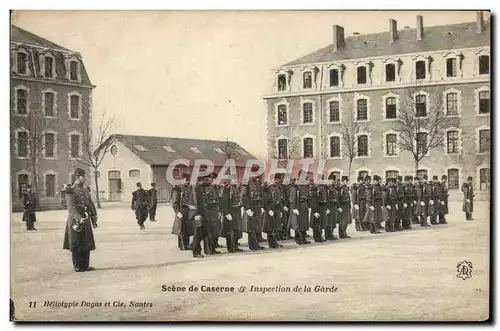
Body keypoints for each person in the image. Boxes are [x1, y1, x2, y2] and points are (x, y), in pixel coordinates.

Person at [62, 168, 98, 272]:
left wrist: (94, 218)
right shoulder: (71, 190)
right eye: (83, 176)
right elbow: (71, 207)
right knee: (77, 242)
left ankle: (85, 265)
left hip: (85, 217)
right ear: (78, 177)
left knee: (86, 242)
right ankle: (78, 266)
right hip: (75, 220)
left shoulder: (85, 190)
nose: (85, 178)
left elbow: (90, 204)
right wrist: (78, 218)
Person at [219, 179, 244, 253]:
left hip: (237, 211)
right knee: (230, 231)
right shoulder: (227, 189)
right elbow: (224, 203)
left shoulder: (236, 188)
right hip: (230, 211)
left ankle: (235, 246)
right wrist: (226, 213)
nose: (236, 181)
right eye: (234, 180)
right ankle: (230, 248)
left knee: (237, 230)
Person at [241, 176, 265, 250]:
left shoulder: (258, 185)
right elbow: (244, 198)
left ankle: (257, 244)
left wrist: (261, 206)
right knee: (251, 228)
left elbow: (261, 196)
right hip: (251, 208)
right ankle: (253, 245)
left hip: (257, 208)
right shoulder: (246, 186)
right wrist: (247, 209)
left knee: (257, 227)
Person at [172, 174, 193, 251]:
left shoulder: (189, 188)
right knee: (181, 228)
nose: (187, 182)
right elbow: (174, 201)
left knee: (187, 228)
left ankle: (186, 244)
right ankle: (182, 245)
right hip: (181, 210)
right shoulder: (178, 189)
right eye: (186, 180)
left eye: (188, 180)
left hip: (188, 210)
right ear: (182, 180)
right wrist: (177, 212)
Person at [289, 174, 311, 245]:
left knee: (304, 224)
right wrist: (294, 208)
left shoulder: (304, 186)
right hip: (299, 207)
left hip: (304, 207)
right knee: (298, 224)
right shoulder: (295, 186)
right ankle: (298, 239)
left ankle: (303, 238)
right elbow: (292, 198)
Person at [263, 174, 284, 248]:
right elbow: (265, 200)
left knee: (275, 227)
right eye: (275, 179)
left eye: (278, 180)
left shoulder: (278, 188)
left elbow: (279, 200)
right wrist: (268, 210)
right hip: (271, 209)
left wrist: (281, 210)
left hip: (277, 208)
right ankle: (272, 244)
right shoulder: (268, 188)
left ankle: (275, 243)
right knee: (270, 227)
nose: (276, 181)